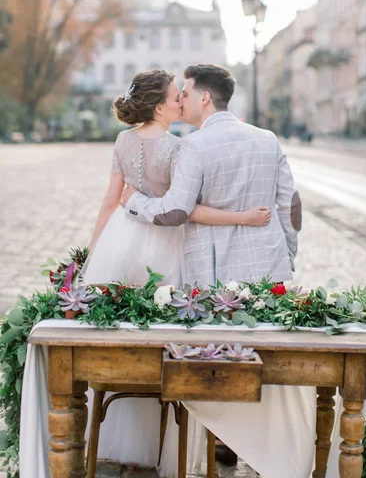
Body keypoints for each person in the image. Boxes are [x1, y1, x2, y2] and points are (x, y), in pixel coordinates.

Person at [82, 68, 271, 475]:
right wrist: (241, 216)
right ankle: (165, 436)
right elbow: (184, 211)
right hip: (165, 247)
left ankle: (120, 430)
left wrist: (94, 253)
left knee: (120, 340)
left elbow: (109, 202)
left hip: (121, 240)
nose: (181, 101)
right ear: (160, 105)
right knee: (166, 340)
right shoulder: (179, 147)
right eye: (175, 96)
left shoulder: (121, 141)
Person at [122, 64, 302, 286]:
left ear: (204, 98)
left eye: (185, 95)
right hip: (270, 266)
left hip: (214, 273)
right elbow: (291, 205)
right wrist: (287, 253)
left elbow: (175, 211)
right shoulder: (268, 139)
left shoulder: (193, 145)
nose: (181, 101)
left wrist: (134, 201)